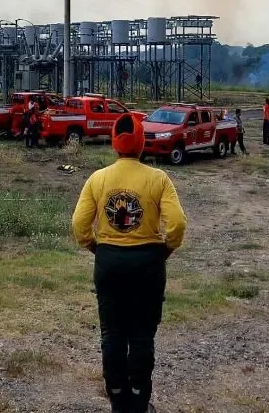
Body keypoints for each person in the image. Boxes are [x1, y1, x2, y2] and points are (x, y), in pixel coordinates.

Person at [72, 114, 187, 413]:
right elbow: (176, 224)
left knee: (111, 332)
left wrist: (96, 246)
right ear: (141, 142)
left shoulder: (98, 179)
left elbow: (79, 225)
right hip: (147, 263)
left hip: (109, 261)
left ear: (113, 142)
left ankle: (117, 395)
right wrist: (166, 250)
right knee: (142, 333)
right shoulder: (159, 179)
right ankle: (139, 396)